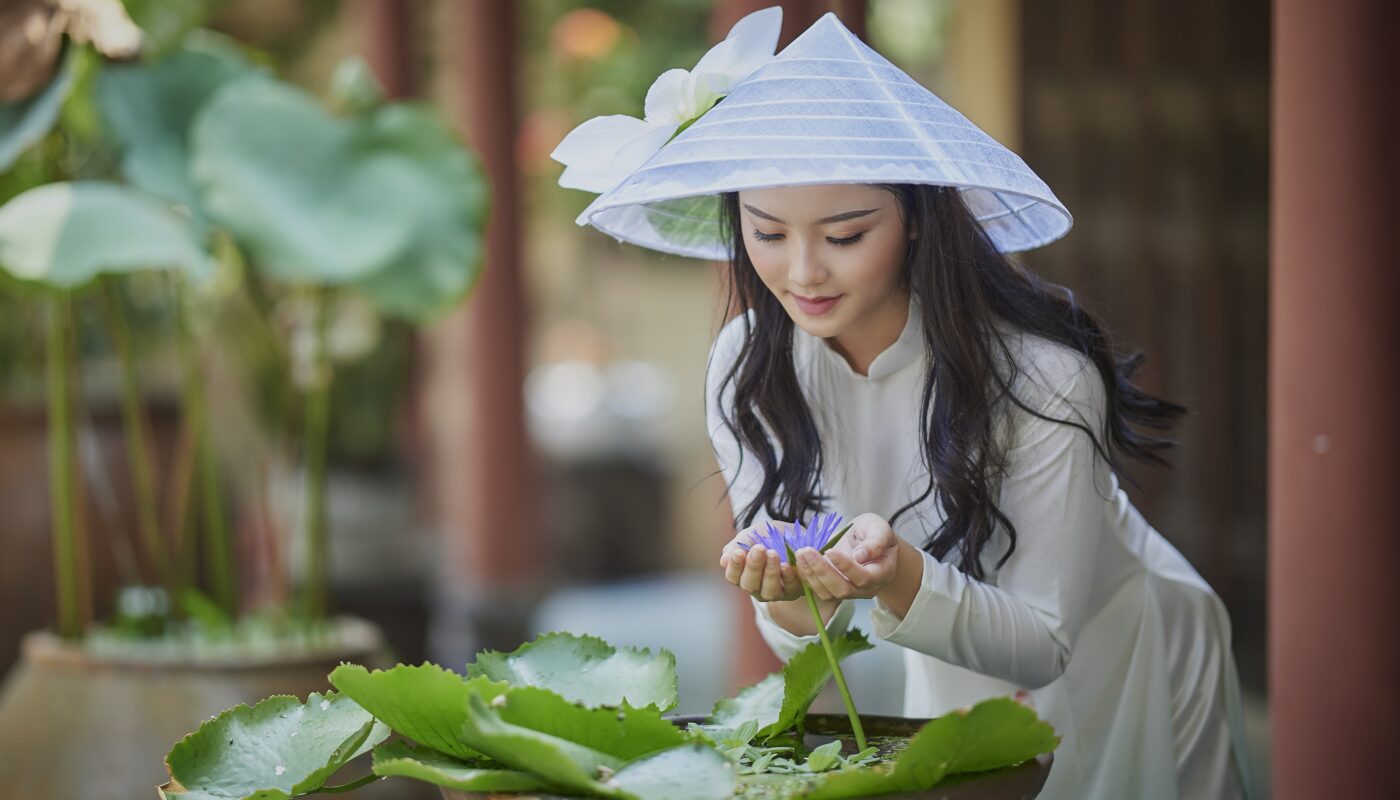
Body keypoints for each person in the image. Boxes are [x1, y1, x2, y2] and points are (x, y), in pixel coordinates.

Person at [553, 8, 1256, 799]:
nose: (804, 272)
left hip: (1125, 653)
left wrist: (898, 576)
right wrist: (786, 595)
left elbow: (1044, 641)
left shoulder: (1042, 376)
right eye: (768, 232)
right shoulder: (746, 367)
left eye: (846, 236)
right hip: (953, 661)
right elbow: (805, 637)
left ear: (917, 221)